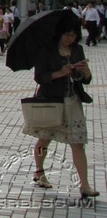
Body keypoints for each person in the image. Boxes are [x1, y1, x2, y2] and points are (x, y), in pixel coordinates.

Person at [22, 15, 100, 199]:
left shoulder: (77, 50)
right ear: (60, 33)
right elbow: (40, 77)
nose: (69, 38)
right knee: (43, 140)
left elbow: (84, 80)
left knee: (78, 143)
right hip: (51, 101)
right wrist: (59, 73)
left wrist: (85, 74)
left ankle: (85, 185)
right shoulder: (47, 50)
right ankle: (39, 171)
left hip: (72, 100)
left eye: (73, 35)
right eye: (66, 34)